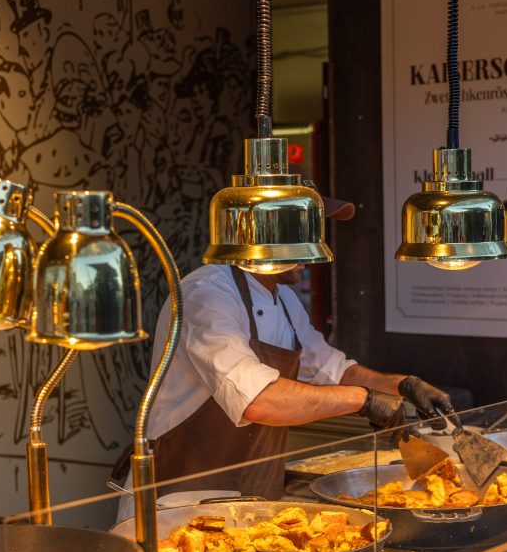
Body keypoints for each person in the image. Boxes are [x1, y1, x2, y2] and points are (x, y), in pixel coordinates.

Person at [115, 177, 454, 512]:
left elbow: (332, 370)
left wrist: (402, 385)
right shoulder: (207, 295)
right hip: (176, 503)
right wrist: (365, 401)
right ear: (267, 231)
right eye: (306, 229)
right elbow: (258, 401)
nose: (318, 242)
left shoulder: (285, 300)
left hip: (251, 500)